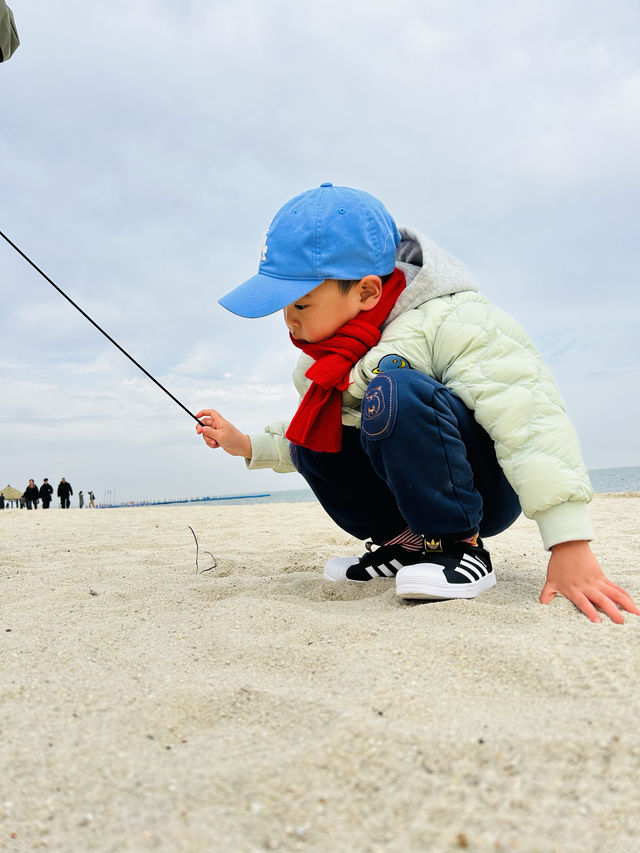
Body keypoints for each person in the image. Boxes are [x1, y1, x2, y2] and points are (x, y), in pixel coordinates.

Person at [196, 183, 639, 625]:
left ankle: (459, 549)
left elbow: (527, 419)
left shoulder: (454, 320)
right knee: (311, 434)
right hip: (410, 493)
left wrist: (569, 543)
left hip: (480, 490)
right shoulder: (322, 361)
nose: (289, 320)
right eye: (281, 306)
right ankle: (407, 545)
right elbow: (332, 433)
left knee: (396, 389)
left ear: (368, 292)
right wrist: (249, 445)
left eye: (302, 303)